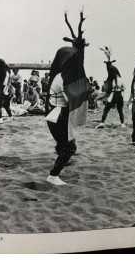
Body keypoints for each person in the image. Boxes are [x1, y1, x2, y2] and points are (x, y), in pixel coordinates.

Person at [45, 10, 89, 186]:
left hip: (54, 113)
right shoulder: (63, 78)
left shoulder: (57, 75)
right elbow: (70, 98)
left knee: (66, 143)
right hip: (59, 114)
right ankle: (53, 175)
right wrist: (83, 97)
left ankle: (60, 158)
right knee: (69, 147)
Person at [96, 47, 126, 129]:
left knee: (106, 109)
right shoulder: (120, 79)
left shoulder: (111, 79)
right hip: (119, 95)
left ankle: (102, 122)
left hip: (113, 95)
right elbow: (124, 88)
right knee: (120, 110)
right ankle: (122, 123)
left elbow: (108, 90)